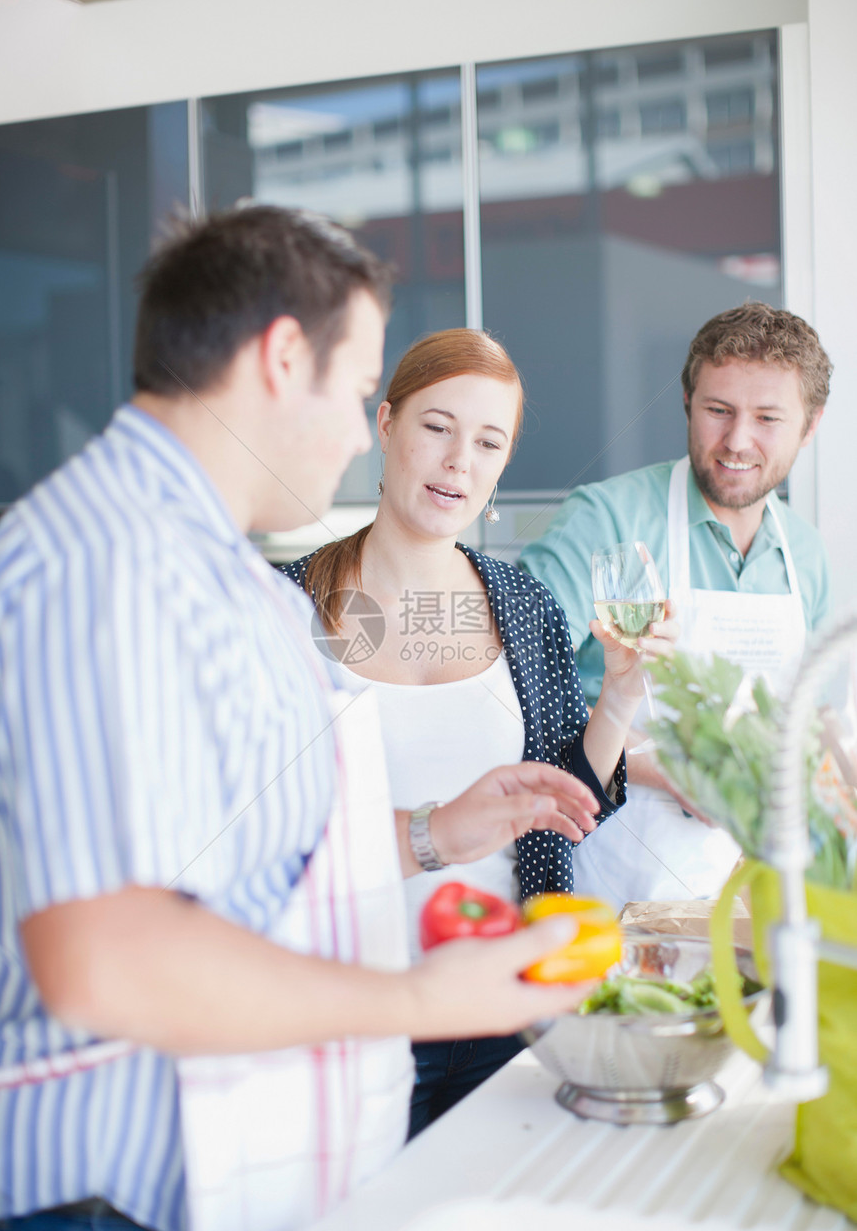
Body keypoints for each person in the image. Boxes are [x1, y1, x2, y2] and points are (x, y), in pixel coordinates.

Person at [0, 207, 625, 1231]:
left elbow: (240, 865)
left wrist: (434, 830)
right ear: (282, 358)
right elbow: (103, 956)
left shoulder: (216, 575)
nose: (357, 428)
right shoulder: (104, 569)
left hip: (205, 1201)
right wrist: (419, 1001)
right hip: (97, 1225)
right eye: (360, 390)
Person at [281, 327, 676, 1136]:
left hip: (505, 1006)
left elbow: (567, 797)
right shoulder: (283, 605)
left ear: (500, 468)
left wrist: (622, 699)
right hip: (342, 1011)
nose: (460, 459)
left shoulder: (523, 605)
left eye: (488, 442)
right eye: (438, 427)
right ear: (385, 426)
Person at [520, 301, 833, 910]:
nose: (736, 441)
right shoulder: (605, 520)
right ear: (688, 402)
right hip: (612, 886)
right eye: (718, 410)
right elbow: (517, 695)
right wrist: (669, 770)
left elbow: (815, 719)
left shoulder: (806, 556)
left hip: (753, 898)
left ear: (810, 424)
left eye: (768, 418)